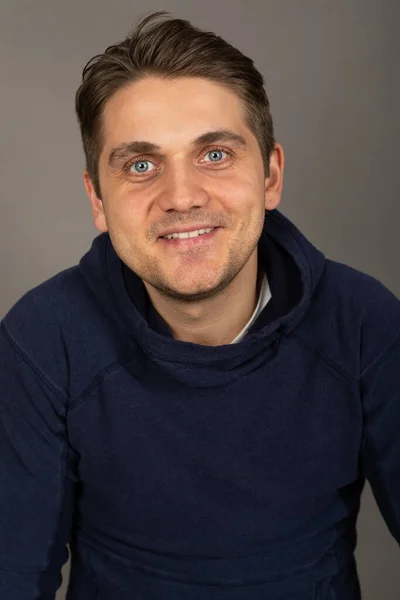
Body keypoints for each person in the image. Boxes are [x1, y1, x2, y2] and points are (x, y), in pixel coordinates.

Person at [0, 10, 399, 600]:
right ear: (98, 200)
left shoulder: (364, 323)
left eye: (215, 154)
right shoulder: (42, 340)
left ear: (270, 175)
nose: (182, 196)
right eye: (141, 165)